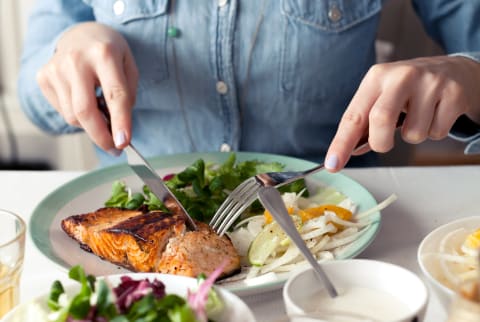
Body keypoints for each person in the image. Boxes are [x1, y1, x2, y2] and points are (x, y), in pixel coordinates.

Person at [17, 1, 480, 171]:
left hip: (338, 232)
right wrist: (68, 49)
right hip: (132, 252)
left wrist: (468, 74)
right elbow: (31, 94)